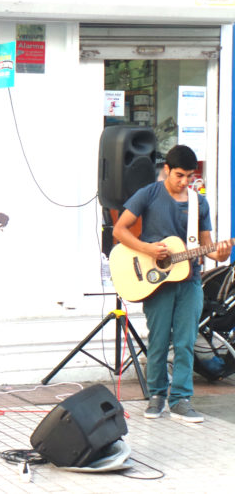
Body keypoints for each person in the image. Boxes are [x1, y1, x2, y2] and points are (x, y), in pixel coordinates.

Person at [113, 145, 231, 423]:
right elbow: (120, 230)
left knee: (186, 340)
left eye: (189, 176)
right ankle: (156, 395)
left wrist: (220, 253)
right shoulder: (149, 194)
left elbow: (207, 248)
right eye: (179, 175)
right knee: (158, 341)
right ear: (166, 169)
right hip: (156, 281)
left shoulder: (198, 202)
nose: (184, 182)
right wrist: (148, 249)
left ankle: (181, 399)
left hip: (189, 281)